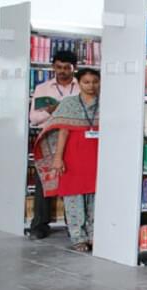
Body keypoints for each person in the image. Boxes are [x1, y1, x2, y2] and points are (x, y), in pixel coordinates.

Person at [33, 68, 100, 252]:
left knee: (96, 195)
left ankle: (94, 235)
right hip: (74, 155)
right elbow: (62, 131)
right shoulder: (69, 103)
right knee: (74, 196)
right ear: (79, 83)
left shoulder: (105, 104)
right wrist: (58, 158)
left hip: (97, 154)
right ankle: (78, 237)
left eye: (95, 81)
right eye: (86, 82)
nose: (91, 86)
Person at [27, 50, 80, 240]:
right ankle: (39, 225)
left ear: (75, 68)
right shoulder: (43, 89)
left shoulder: (82, 88)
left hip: (75, 138)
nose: (63, 71)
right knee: (44, 183)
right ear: (53, 67)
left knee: (73, 183)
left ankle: (73, 225)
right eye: (59, 67)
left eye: (67, 68)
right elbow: (33, 118)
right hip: (48, 138)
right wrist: (51, 111)